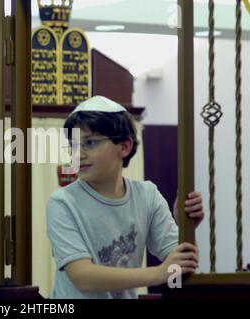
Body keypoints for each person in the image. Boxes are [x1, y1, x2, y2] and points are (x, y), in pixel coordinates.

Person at [46, 96, 204, 299]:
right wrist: (158, 273)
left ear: (125, 146)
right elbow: (83, 277)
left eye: (90, 142)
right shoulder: (62, 203)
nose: (78, 155)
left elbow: (181, 269)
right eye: (74, 145)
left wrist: (186, 227)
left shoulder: (147, 195)